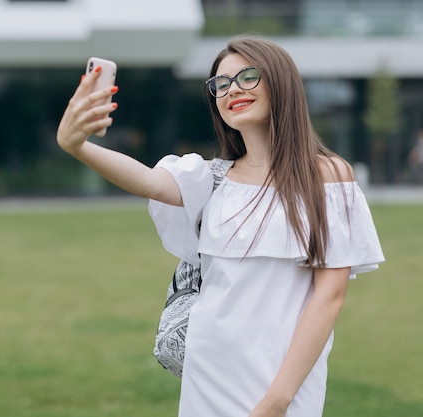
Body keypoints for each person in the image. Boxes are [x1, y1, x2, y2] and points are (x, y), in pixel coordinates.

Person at [57, 35, 384, 417]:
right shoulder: (210, 180)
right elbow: (146, 179)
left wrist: (277, 401)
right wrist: (75, 145)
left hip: (282, 382)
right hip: (208, 372)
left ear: (280, 82)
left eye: (247, 76)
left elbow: (329, 298)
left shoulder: (327, 177)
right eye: (221, 84)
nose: (233, 90)